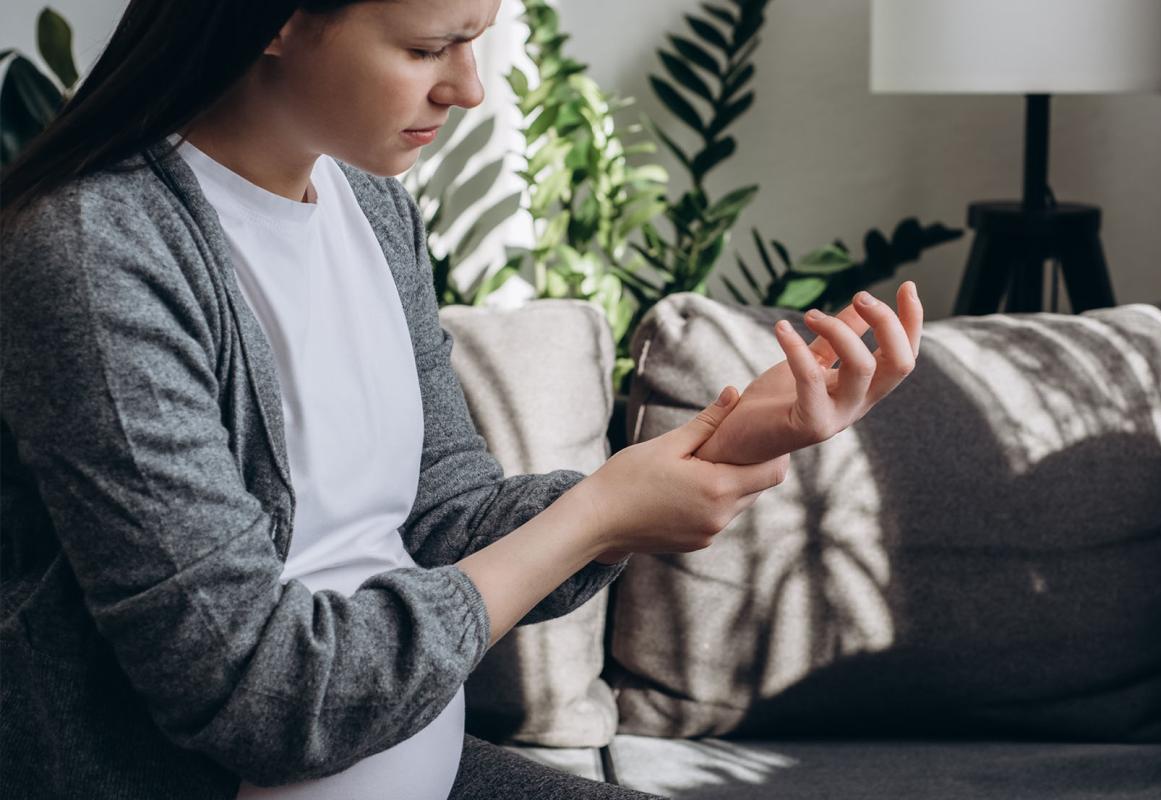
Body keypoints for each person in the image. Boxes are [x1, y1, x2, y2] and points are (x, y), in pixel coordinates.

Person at [0, 1, 923, 798]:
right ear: (277, 19)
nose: (468, 89)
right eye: (427, 47)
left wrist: (714, 442)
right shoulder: (96, 252)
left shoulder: (370, 202)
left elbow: (448, 513)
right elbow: (254, 695)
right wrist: (598, 516)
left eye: (477, 40)